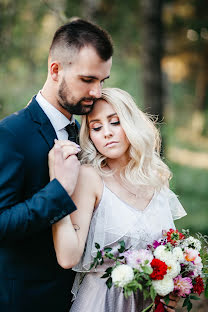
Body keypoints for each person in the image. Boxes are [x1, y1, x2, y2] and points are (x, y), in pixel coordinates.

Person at [0, 19, 113, 312]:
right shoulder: (11, 134)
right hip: (28, 301)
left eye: (102, 81)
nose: (97, 93)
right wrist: (58, 190)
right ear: (55, 70)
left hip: (85, 298)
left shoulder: (91, 132)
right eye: (88, 80)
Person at [49, 88, 187, 312]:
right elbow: (67, 258)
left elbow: (169, 252)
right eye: (96, 127)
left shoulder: (156, 177)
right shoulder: (89, 178)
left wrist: (172, 290)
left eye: (115, 122)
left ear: (131, 123)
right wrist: (58, 190)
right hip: (102, 304)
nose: (106, 133)